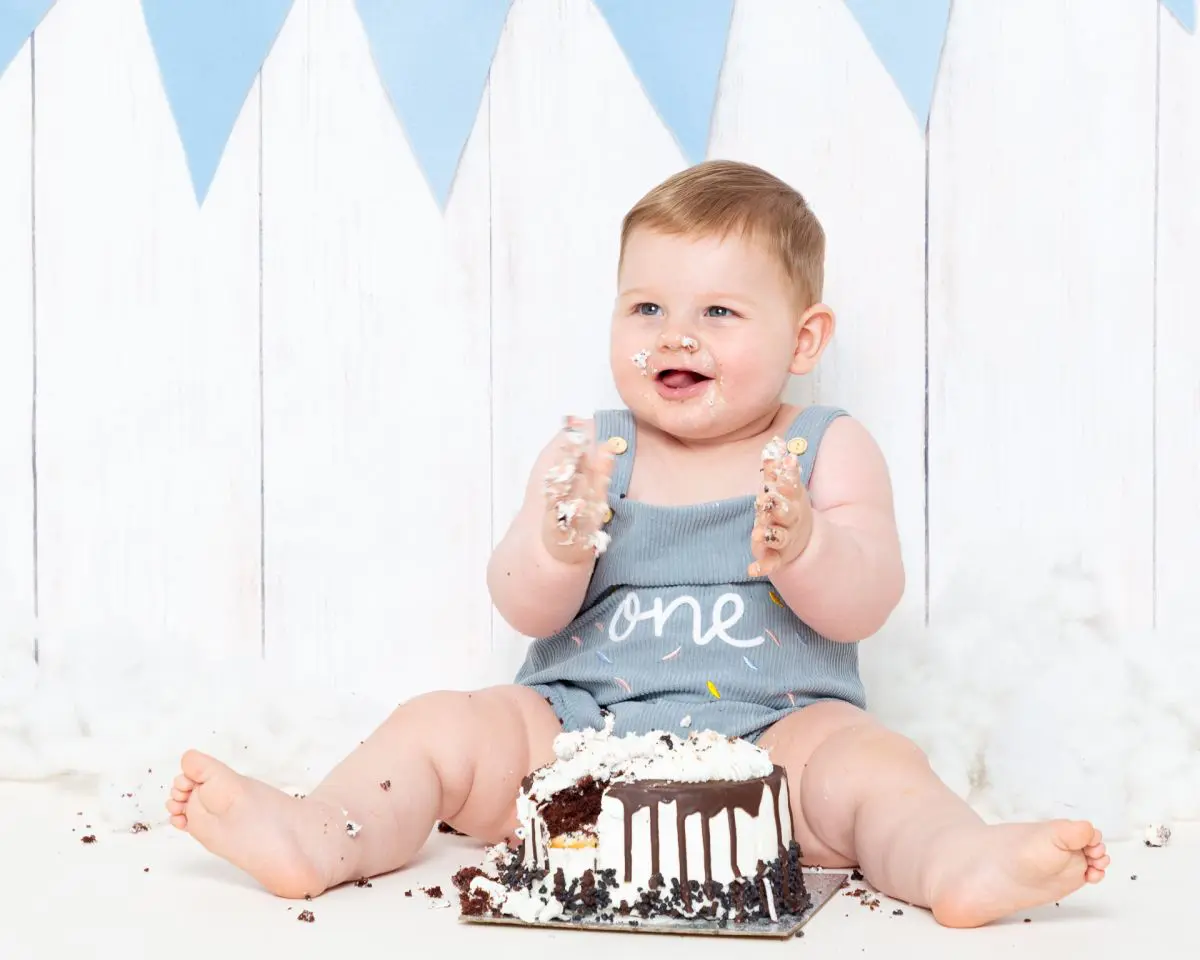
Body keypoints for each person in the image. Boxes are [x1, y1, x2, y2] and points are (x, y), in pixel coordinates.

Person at [167, 160, 1108, 928]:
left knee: (875, 767)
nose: (677, 336)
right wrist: (559, 544)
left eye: (720, 314)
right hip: (576, 740)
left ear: (805, 337)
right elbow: (523, 605)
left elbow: (870, 599)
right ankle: (324, 830)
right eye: (647, 308)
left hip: (774, 745)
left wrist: (811, 546)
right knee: (440, 723)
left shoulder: (823, 449)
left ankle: (957, 860)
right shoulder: (594, 451)